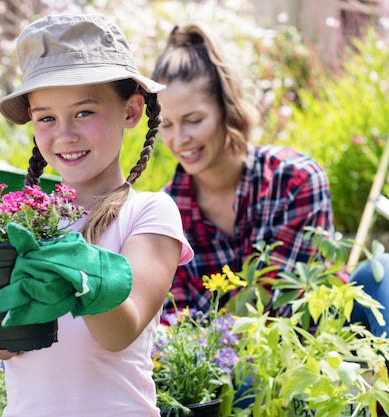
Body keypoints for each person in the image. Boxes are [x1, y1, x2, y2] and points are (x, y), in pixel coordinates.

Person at [0, 14, 194, 416]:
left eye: (84, 112)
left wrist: (84, 278)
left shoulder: (150, 213)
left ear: (131, 111)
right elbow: (5, 348)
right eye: (46, 117)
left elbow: (119, 333)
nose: (65, 134)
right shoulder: (20, 223)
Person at [150, 22, 389, 335]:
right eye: (166, 125)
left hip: (315, 346)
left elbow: (286, 308)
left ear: (228, 108)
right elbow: (173, 326)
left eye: (194, 120)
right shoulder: (164, 215)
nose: (179, 139)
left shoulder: (294, 181)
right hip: (225, 373)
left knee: (382, 271)